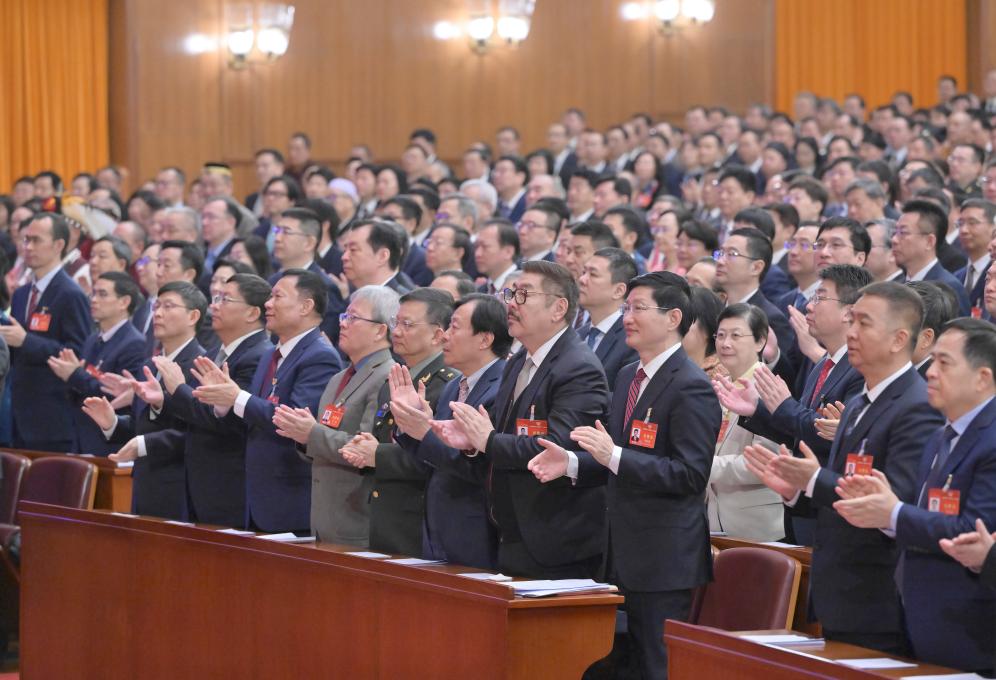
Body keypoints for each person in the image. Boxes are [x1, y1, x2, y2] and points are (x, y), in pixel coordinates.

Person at [528, 271, 720, 680]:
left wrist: (613, 454)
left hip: (663, 561)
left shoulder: (692, 385)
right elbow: (616, 459)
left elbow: (689, 475)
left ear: (673, 318)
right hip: (618, 553)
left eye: (638, 308)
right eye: (626, 308)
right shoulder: (628, 375)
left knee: (656, 667)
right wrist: (573, 463)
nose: (627, 317)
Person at [744, 282, 944, 654]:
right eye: (850, 321)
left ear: (899, 339)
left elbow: (893, 501)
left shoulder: (918, 406)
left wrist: (814, 479)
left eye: (864, 323)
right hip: (839, 591)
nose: (851, 332)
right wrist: (796, 491)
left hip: (880, 597)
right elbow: (835, 494)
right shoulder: (857, 403)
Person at [834, 318, 996, 672]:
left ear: (982, 378)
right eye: (932, 360)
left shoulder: (991, 441)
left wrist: (894, 514)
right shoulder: (941, 435)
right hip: (920, 617)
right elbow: (928, 515)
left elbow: (972, 532)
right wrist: (883, 512)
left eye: (945, 363)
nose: (931, 372)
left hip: (972, 628)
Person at [430, 260, 609, 579]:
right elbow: (498, 434)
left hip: (556, 539)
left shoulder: (578, 368)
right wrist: (471, 442)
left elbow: (555, 449)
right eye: (511, 293)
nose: (512, 303)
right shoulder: (517, 362)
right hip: (510, 530)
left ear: (558, 309)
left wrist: (487, 441)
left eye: (524, 294)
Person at [723, 265, 871, 544]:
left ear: (849, 312)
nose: (809, 306)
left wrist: (784, 406)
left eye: (820, 298)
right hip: (800, 504)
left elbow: (831, 436)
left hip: (831, 508)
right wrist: (758, 411)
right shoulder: (824, 364)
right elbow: (799, 433)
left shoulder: (860, 369)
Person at [190, 269, 343, 533]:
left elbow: (292, 419)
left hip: (290, 496)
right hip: (255, 496)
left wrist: (237, 396)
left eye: (277, 296)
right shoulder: (270, 354)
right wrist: (224, 403)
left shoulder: (320, 356)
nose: (268, 304)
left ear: (306, 306)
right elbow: (253, 416)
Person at [127, 273, 273, 527]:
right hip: (198, 486)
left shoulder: (259, 356)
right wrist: (164, 400)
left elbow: (228, 421)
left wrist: (178, 388)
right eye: (216, 298)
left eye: (225, 299)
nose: (214, 306)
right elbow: (195, 413)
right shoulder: (215, 352)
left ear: (252, 313)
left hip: (229, 487)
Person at [391, 293, 510, 568]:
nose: (444, 336)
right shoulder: (453, 386)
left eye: (454, 327)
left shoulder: (502, 387)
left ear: (484, 339)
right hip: (439, 528)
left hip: (477, 533)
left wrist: (425, 432)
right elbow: (432, 460)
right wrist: (410, 423)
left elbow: (479, 468)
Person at [272, 285, 398, 544]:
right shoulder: (338, 378)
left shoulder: (388, 376)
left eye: (353, 317)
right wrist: (302, 437)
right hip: (324, 516)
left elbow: (365, 448)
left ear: (380, 330)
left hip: (357, 518)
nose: (342, 323)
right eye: (343, 316)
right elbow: (322, 438)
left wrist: (312, 433)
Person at [336, 288, 457, 555]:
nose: (397, 332)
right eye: (396, 322)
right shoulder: (395, 379)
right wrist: (364, 447)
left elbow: (440, 459)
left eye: (408, 325)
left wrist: (377, 454)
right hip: (385, 517)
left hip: (420, 523)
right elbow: (384, 439)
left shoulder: (447, 385)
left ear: (438, 335)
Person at [88, 281, 208, 519]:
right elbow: (141, 426)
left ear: (193, 316)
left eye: (168, 306)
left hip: (181, 486)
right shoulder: (149, 364)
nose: (158, 313)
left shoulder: (201, 365)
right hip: (145, 482)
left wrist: (144, 444)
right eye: (156, 306)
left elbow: (197, 433)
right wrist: (112, 423)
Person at [0, 212, 92, 451]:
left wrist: (26, 341)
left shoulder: (71, 294)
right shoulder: (21, 294)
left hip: (53, 416)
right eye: (26, 240)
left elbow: (77, 353)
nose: (28, 247)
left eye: (36, 240)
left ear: (59, 245)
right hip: (18, 413)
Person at [47, 272, 146, 456]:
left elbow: (116, 395)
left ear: (124, 302)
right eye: (93, 293)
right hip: (81, 436)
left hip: (108, 442)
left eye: (102, 294)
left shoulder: (134, 343)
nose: (93, 300)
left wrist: (74, 374)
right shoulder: (92, 339)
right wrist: (71, 374)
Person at [708, 304, 784, 541]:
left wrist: (701, 466)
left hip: (756, 526)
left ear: (760, 341)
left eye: (736, 335)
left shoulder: (769, 389)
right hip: (713, 518)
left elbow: (763, 464)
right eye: (720, 335)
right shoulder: (719, 385)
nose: (725, 343)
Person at [894, 199, 971, 315]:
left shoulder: (948, 288)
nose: (894, 240)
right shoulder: (898, 286)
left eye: (903, 233)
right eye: (895, 232)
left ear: (929, 241)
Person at [578, 248, 638, 389]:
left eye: (593, 274)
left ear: (618, 290)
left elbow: (624, 396)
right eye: (583, 272)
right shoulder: (577, 335)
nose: (582, 279)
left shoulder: (632, 340)